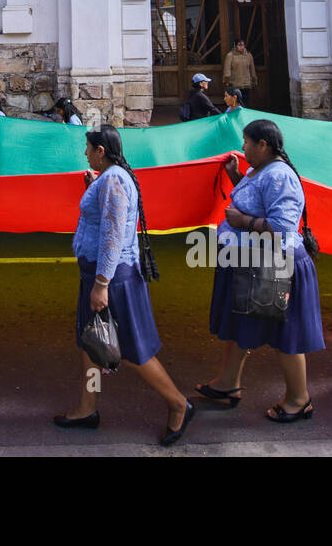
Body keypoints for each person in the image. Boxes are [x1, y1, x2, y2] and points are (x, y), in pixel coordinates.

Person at [55, 126, 194, 446]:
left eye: (88, 149)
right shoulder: (109, 178)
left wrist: (102, 283)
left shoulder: (115, 180)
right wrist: (95, 185)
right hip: (101, 275)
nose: (85, 154)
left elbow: (114, 235)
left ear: (101, 151)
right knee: (92, 344)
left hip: (112, 278)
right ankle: (87, 408)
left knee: (131, 349)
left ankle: (178, 404)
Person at [200, 118, 324, 421]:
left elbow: (281, 226)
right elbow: (258, 202)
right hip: (254, 261)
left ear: (263, 145)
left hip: (277, 265)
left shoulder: (279, 175)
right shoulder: (260, 170)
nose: (243, 148)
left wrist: (243, 223)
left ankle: (299, 398)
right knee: (242, 323)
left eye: (246, 142)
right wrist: (236, 176)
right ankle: (228, 383)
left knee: (286, 333)